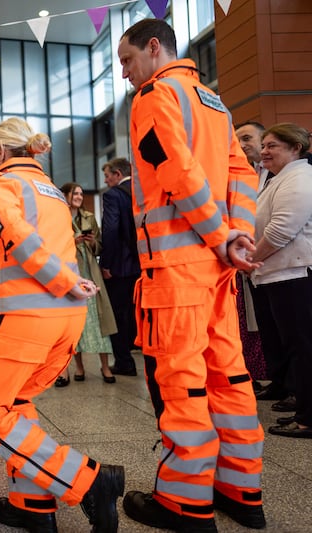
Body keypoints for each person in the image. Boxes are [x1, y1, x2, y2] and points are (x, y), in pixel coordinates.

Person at [117, 19, 265, 531]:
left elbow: (179, 173)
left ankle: (185, 500)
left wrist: (220, 236)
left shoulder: (154, 97)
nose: (123, 74)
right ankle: (242, 489)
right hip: (219, 272)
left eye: (127, 60)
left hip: (178, 269)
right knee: (230, 376)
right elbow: (243, 173)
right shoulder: (214, 102)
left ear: (154, 48)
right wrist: (237, 233)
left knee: (183, 382)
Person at [0, 117, 125, 533]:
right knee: (14, 404)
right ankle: (31, 504)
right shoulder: (48, 190)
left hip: (29, 319)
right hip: (62, 319)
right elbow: (9, 251)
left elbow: (21, 241)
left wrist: (68, 282)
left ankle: (90, 481)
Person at [246, 123, 312, 438]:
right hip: (278, 275)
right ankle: (304, 412)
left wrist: (250, 258)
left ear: (295, 148)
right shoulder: (279, 179)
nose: (265, 151)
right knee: (295, 347)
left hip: (295, 275)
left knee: (304, 347)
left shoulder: (299, 178)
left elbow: (280, 230)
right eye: (266, 145)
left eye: (273, 145)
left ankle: (309, 418)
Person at [56, 182, 117, 386]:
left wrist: (90, 241)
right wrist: (74, 241)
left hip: (89, 271)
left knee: (99, 319)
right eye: (76, 193)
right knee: (75, 322)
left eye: (82, 193)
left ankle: (105, 366)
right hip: (70, 271)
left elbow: (99, 246)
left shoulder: (89, 217)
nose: (79, 197)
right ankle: (79, 368)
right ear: (65, 195)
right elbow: (53, 245)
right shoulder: (58, 216)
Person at [233, 122, 269, 394]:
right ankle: (273, 379)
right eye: (238, 139)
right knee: (259, 325)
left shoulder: (277, 175)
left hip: (271, 258)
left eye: (247, 138)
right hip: (248, 260)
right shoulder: (246, 174)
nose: (242, 144)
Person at [99, 158, 141, 377]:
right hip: (142, 262)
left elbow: (111, 230)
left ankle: (124, 361)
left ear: (117, 174)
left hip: (120, 265)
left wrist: (106, 263)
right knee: (136, 312)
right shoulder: (140, 191)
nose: (106, 181)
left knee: (117, 314)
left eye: (107, 176)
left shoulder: (113, 194)